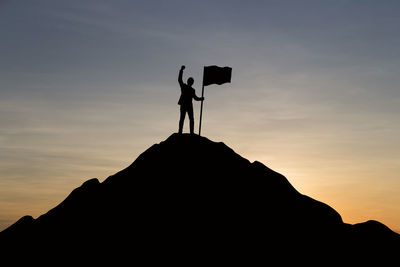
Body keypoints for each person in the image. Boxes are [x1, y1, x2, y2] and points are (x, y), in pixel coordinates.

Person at [177, 65, 204, 134]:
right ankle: (180, 131)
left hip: (189, 105)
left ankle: (191, 132)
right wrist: (181, 70)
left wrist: (200, 99)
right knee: (182, 118)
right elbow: (180, 79)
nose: (191, 82)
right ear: (189, 81)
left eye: (192, 81)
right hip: (184, 104)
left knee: (191, 119)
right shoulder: (184, 86)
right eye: (190, 81)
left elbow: (195, 98)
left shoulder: (192, 90)